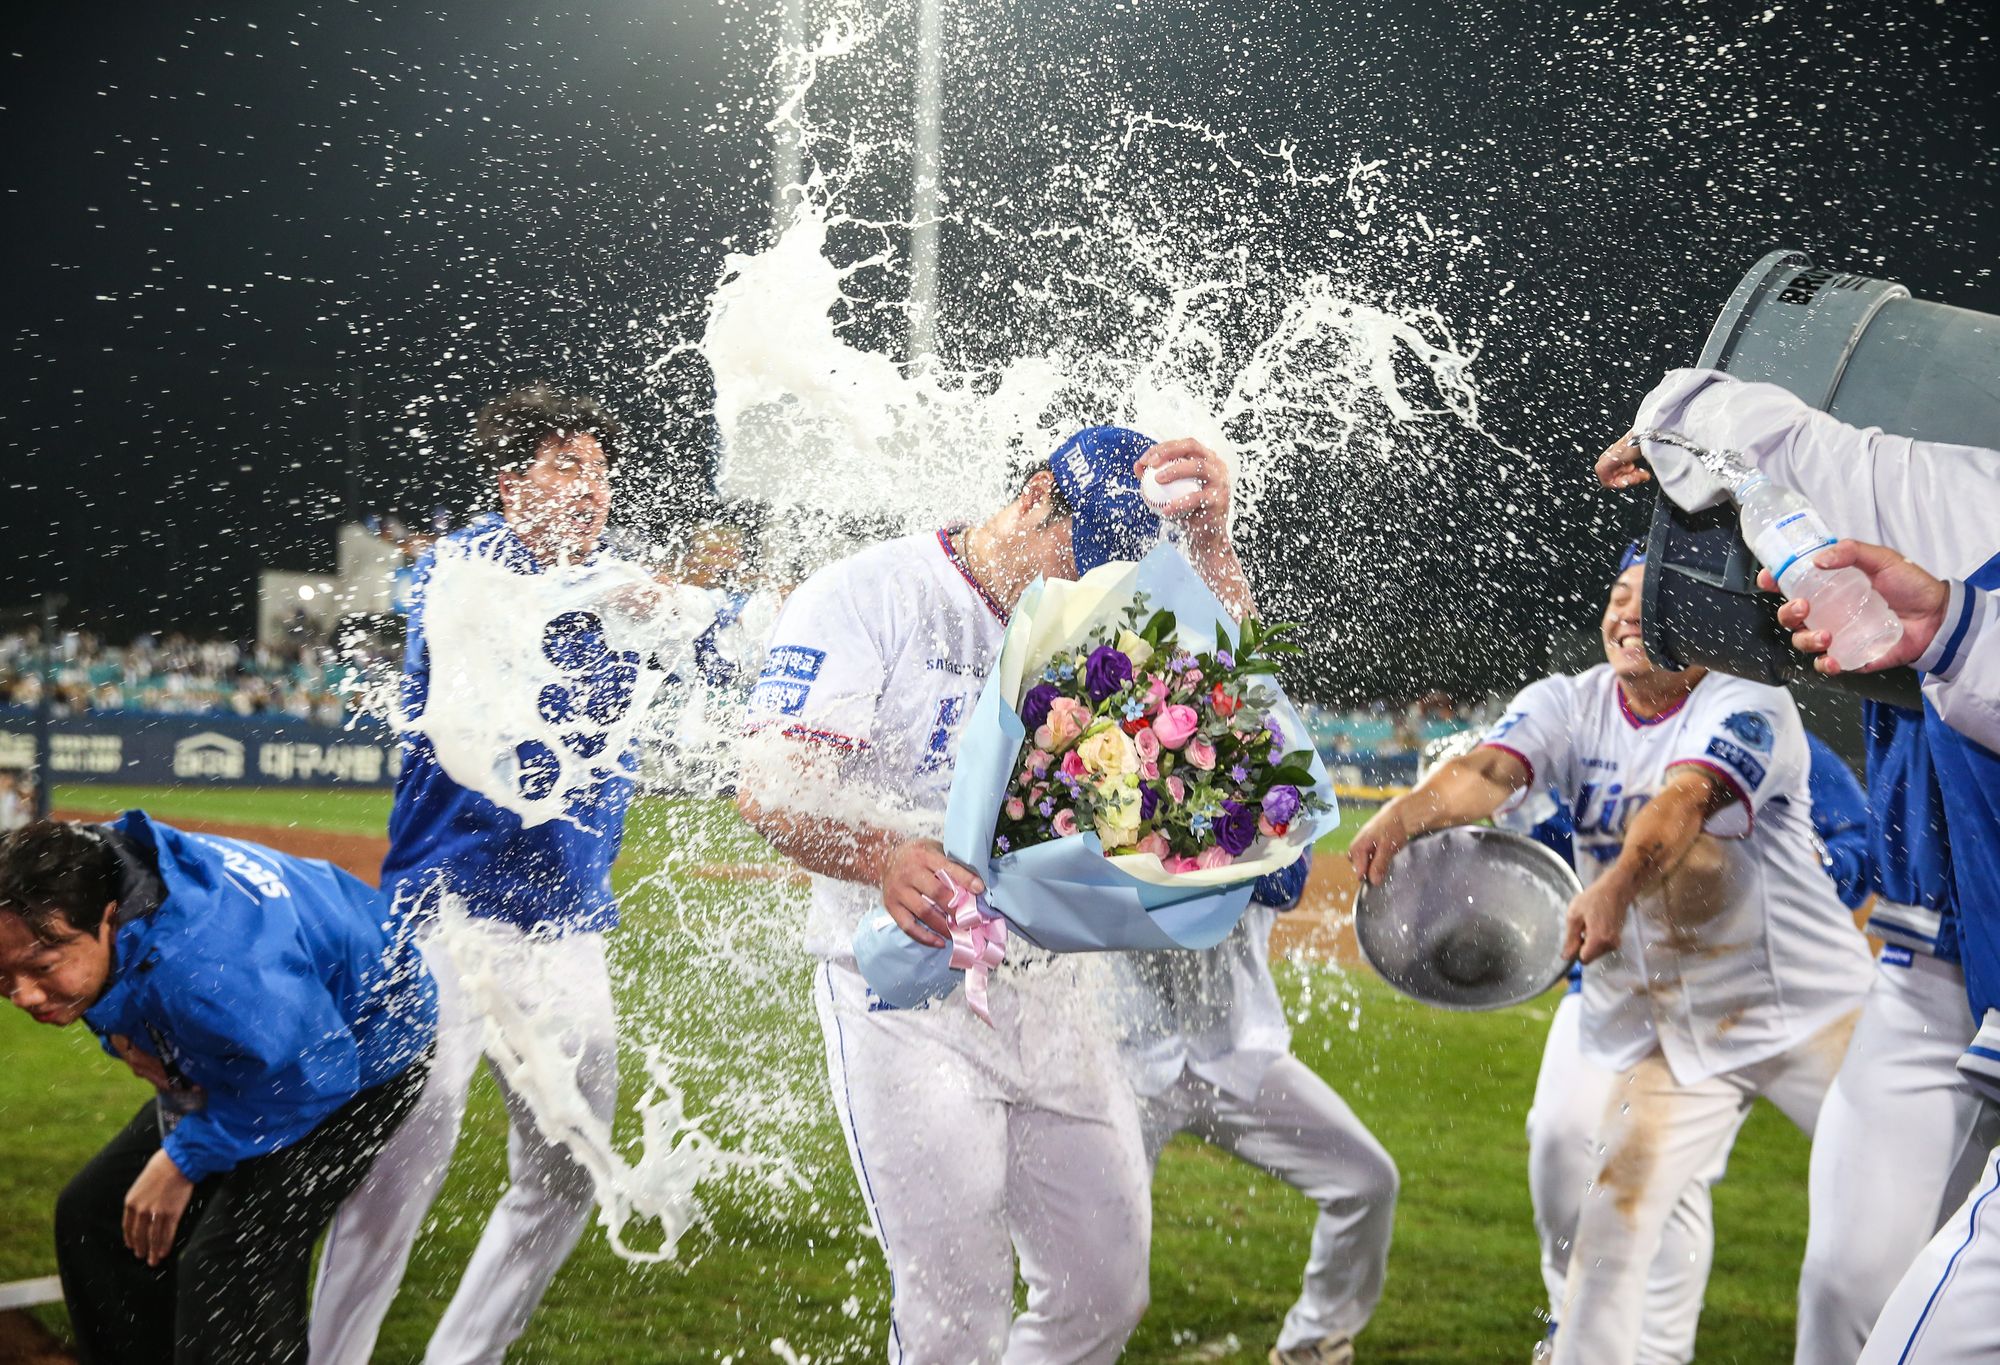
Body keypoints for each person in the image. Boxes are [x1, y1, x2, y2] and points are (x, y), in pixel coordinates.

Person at [735, 425, 1253, 1362]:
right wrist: (884, 855)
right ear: (1034, 495)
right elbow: (769, 788)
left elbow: (1223, 696)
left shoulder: (1101, 622)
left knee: (1104, 1290)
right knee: (955, 1317)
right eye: (1080, 561)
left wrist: (1211, 545)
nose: (1092, 594)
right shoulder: (870, 593)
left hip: (1053, 991)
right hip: (904, 996)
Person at [1348, 553, 1874, 1365]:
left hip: (1810, 1011)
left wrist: (1619, 886)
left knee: (1888, 1233)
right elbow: (1491, 769)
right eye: (1617, 596)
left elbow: (1685, 800)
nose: (1626, 613)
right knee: (1608, 1224)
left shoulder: (1747, 700)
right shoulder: (1570, 701)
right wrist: (1405, 815)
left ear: (1698, 622)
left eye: (1649, 599)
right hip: (1675, 1027)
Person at [1599, 369, 2000, 1363]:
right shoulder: (1967, 493)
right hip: (1928, 956)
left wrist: (1957, 632)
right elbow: (1753, 427)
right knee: (1845, 1291)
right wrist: (1674, 429)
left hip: (1850, 984)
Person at [311, 383, 643, 1365]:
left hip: (568, 928)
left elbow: (718, 639)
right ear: (510, 483)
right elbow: (489, 629)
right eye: (566, 464)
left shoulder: (624, 589)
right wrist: (621, 596)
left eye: (601, 470)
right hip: (444, 918)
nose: (591, 487)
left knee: (571, 1169)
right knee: (401, 1164)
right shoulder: (461, 568)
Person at [0, 814, 435, 1365]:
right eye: (2, 975)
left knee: (232, 1265)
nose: (23, 995)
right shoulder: (84, 871)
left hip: (360, 1049)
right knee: (95, 1218)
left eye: (42, 966)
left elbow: (315, 1075)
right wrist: (126, 1035)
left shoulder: (208, 966)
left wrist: (181, 1160)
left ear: (108, 920)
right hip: (273, 1033)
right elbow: (122, 972)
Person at [1115, 853, 1398, 1365]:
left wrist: (1204, 844)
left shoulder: (1272, 798)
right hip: (1122, 1054)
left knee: (1366, 1180)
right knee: (1098, 1273)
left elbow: (1286, 883)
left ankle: (1314, 1340)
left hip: (1233, 1048)